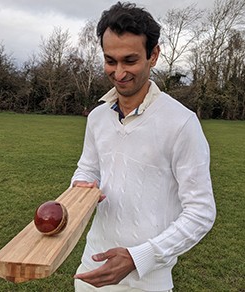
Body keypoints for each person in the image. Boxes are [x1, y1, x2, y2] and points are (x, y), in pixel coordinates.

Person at [71, 2, 216, 291]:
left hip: (147, 280)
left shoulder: (181, 123)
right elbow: (87, 169)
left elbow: (200, 212)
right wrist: (82, 188)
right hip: (92, 269)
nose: (119, 72)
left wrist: (138, 258)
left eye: (130, 60)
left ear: (154, 55)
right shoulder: (98, 116)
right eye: (110, 60)